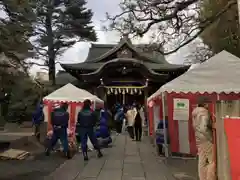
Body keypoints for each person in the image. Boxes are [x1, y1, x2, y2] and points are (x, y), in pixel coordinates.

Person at [192, 97, 215, 180]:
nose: (208, 105)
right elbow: (203, 128)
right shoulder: (204, 112)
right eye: (207, 103)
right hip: (206, 139)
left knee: (202, 161)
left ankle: (202, 178)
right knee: (212, 161)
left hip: (199, 139)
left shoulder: (195, 112)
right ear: (205, 104)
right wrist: (211, 138)